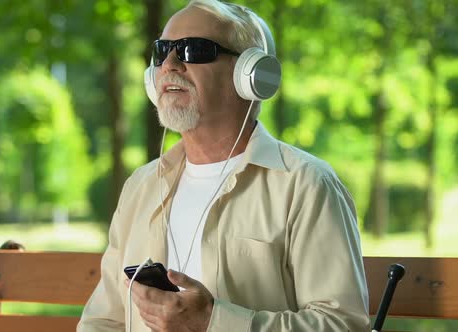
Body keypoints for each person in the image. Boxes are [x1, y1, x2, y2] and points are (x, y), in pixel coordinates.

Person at [78, 0, 370, 331]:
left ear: (251, 74)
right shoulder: (142, 186)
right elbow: (103, 320)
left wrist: (213, 322)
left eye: (193, 50)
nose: (170, 65)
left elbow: (342, 324)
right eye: (162, 52)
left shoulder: (305, 184)